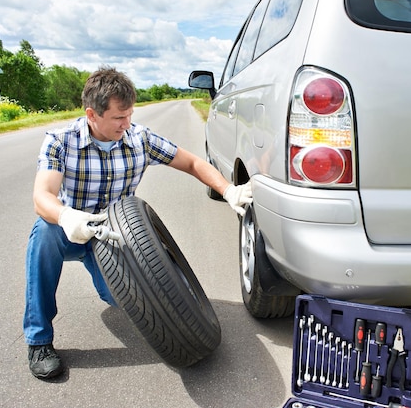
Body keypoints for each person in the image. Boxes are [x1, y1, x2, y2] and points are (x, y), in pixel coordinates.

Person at [24, 66, 251, 380]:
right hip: (70, 226)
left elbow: (193, 162)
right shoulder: (60, 141)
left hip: (110, 234)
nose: (126, 124)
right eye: (118, 118)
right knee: (43, 235)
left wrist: (228, 190)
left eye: (129, 114)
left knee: (119, 298)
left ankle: (108, 279)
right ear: (92, 114)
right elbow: (42, 196)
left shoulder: (139, 138)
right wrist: (66, 216)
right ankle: (39, 341)